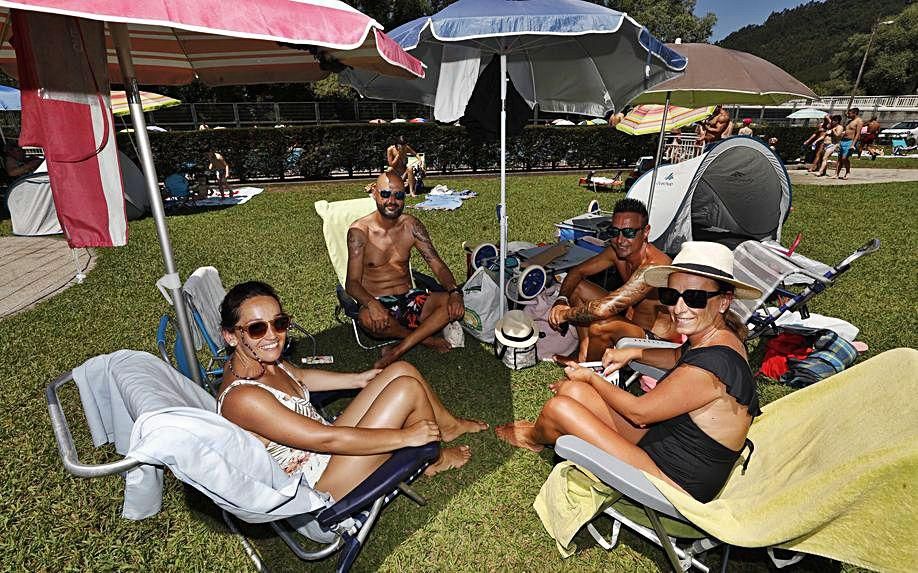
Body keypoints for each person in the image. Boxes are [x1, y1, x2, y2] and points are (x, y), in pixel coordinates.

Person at [496, 242, 762, 503]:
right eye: (671, 296)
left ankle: (534, 437)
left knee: (560, 408)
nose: (679, 308)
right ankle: (548, 429)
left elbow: (639, 412)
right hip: (667, 442)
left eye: (694, 298)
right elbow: (675, 356)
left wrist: (591, 377)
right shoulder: (719, 338)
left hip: (672, 481)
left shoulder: (708, 370)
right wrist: (632, 352)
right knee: (572, 391)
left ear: (724, 301)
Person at [216, 281, 487, 501]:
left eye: (279, 323)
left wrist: (357, 380)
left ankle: (448, 427)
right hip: (319, 484)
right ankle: (432, 460)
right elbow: (327, 440)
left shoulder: (258, 360)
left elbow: (298, 376)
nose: (272, 335)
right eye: (256, 328)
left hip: (328, 452)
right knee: (405, 390)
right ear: (230, 335)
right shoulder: (243, 398)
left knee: (401, 370)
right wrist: (405, 437)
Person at [346, 171, 464, 369]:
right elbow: (352, 283)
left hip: (411, 298)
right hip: (379, 302)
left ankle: (398, 349)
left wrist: (454, 291)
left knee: (450, 303)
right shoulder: (359, 232)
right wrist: (371, 304)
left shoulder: (411, 226)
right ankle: (426, 339)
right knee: (366, 318)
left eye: (399, 195)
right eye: (385, 194)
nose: (392, 201)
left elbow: (436, 263)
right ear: (375, 193)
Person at [547, 198, 676, 362]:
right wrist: (561, 300)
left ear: (645, 231)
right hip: (629, 323)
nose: (620, 240)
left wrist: (564, 315)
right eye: (614, 232)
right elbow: (577, 272)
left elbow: (603, 310)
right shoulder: (617, 252)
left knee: (601, 325)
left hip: (656, 341)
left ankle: (592, 373)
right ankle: (585, 355)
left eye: (629, 232)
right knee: (578, 287)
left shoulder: (656, 266)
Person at [835, 108, 862, 179]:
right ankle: (836, 174)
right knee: (839, 158)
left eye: (849, 113)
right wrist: (839, 142)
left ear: (855, 113)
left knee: (844, 158)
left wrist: (853, 144)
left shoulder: (859, 121)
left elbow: (858, 133)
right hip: (843, 140)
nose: (848, 115)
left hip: (850, 141)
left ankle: (847, 172)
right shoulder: (849, 121)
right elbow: (845, 132)